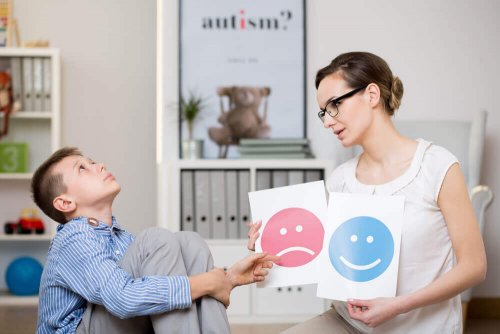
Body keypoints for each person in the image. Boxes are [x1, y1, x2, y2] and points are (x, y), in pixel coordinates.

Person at [247, 51, 486, 333]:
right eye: (324, 111)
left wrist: (399, 305)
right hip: (349, 323)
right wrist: (268, 248)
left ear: (372, 95)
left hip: (419, 326)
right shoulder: (340, 180)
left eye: (335, 104)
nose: (327, 121)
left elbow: (474, 266)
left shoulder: (437, 166)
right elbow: (331, 258)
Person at [31, 147, 278, 334]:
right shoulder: (73, 238)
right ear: (65, 203)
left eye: (92, 162)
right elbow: (122, 298)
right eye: (82, 168)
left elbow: (157, 291)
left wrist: (228, 277)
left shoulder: (121, 238)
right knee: (155, 239)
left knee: (189, 243)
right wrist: (210, 282)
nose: (100, 166)